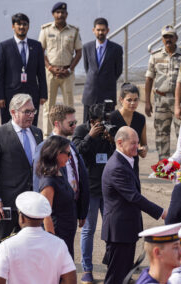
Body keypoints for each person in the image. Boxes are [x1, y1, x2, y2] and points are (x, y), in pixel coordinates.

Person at [0, 94, 43, 284]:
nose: (31, 115)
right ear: (13, 112)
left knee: (28, 246)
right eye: (27, 111)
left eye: (33, 111)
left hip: (31, 204)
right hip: (6, 203)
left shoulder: (37, 133)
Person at [101, 126, 165, 284]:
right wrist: (162, 212)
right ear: (120, 143)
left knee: (124, 275)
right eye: (134, 143)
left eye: (138, 143)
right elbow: (134, 197)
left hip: (126, 229)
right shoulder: (117, 166)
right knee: (116, 277)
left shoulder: (127, 159)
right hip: (119, 231)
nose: (138, 146)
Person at [0, 191, 76, 284]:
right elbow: (71, 279)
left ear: (21, 218)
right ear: (43, 218)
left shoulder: (6, 246)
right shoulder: (59, 244)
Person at [72, 104, 116, 284]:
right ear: (92, 122)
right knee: (88, 230)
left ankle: (112, 267)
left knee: (111, 230)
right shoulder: (82, 130)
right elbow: (75, 152)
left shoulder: (111, 130)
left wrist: (112, 140)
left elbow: (118, 156)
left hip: (108, 188)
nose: (105, 124)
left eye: (107, 121)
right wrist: (90, 136)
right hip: (89, 189)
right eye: (101, 122)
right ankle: (87, 269)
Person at [32, 104, 89, 226]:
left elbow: (80, 176)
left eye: (75, 122)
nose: (74, 126)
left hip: (71, 210)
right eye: (70, 123)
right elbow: (38, 183)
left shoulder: (71, 146)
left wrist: (81, 211)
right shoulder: (44, 148)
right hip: (54, 214)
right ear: (57, 124)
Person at [39, 2, 82, 137]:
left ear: (66, 14)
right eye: (57, 13)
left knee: (69, 106)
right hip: (51, 73)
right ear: (53, 14)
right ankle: (47, 136)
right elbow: (41, 51)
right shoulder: (46, 30)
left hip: (67, 74)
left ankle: (69, 135)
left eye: (63, 13)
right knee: (48, 106)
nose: (60, 15)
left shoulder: (73, 31)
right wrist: (50, 67)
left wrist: (70, 69)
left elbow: (79, 52)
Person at [0, 13, 47, 126]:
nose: (22, 27)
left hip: (31, 93)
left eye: (25, 24)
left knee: (31, 124)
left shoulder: (36, 46)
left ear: (28, 26)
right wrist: (0, 96)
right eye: (18, 24)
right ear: (13, 26)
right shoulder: (4, 46)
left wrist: (43, 94)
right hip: (10, 94)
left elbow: (41, 72)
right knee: (9, 125)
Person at [145, 25, 181, 160]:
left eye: (171, 36)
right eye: (165, 37)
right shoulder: (155, 56)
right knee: (161, 134)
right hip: (160, 100)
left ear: (176, 38)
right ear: (162, 39)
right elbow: (149, 79)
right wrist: (147, 102)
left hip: (179, 101)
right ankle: (163, 166)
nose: (168, 39)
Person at [36, 136, 80, 258]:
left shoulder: (60, 172)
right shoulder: (48, 182)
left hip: (67, 234)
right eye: (68, 153)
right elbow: (46, 215)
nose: (70, 157)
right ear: (57, 154)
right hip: (57, 236)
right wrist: (52, 241)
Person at [82, 17, 123, 123]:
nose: (100, 32)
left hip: (108, 94)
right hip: (90, 94)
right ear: (93, 30)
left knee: (107, 125)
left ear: (107, 30)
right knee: (87, 125)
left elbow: (118, 70)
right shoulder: (87, 47)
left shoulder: (116, 49)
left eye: (103, 30)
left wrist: (106, 80)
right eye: (98, 30)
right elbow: (88, 68)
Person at [109, 83, 147, 175]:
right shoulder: (112, 118)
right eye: (129, 100)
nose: (133, 103)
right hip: (115, 163)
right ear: (121, 100)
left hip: (133, 164)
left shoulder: (141, 119)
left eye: (135, 100)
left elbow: (144, 144)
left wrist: (144, 149)